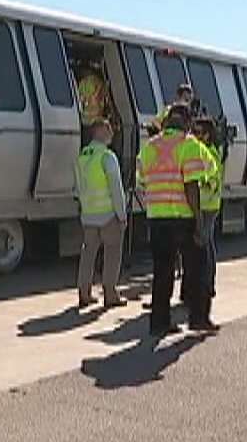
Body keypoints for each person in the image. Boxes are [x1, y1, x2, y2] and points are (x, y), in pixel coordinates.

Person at [136, 104, 217, 336]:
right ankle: (198, 319)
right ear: (188, 123)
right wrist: (198, 220)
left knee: (162, 271)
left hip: (157, 218)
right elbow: (191, 185)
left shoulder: (149, 147)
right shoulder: (189, 145)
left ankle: (159, 323)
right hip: (182, 217)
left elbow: (141, 182)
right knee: (197, 268)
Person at [74, 118, 128, 308]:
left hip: (88, 215)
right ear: (101, 130)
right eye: (109, 129)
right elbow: (116, 189)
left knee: (88, 253)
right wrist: (122, 215)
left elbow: (78, 187)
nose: (112, 133)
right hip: (108, 216)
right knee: (112, 253)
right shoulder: (107, 156)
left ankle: (84, 292)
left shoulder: (82, 156)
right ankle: (110, 293)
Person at [192, 117, 225, 299]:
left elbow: (211, 181)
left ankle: (205, 284)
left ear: (207, 135)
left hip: (207, 205)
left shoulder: (210, 154)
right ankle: (207, 283)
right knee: (207, 243)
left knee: (203, 244)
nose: (195, 136)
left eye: (198, 133)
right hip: (206, 204)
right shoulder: (205, 151)